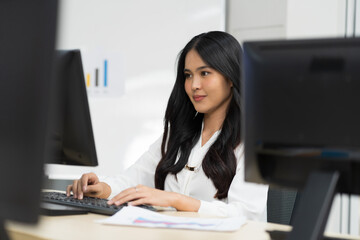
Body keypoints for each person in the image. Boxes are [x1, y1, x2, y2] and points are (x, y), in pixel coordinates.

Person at [67, 31, 268, 220]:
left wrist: (175, 200)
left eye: (204, 73)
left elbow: (246, 214)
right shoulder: (179, 135)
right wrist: (101, 188)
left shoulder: (253, 141)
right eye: (188, 75)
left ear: (230, 77)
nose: (194, 85)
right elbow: (132, 179)